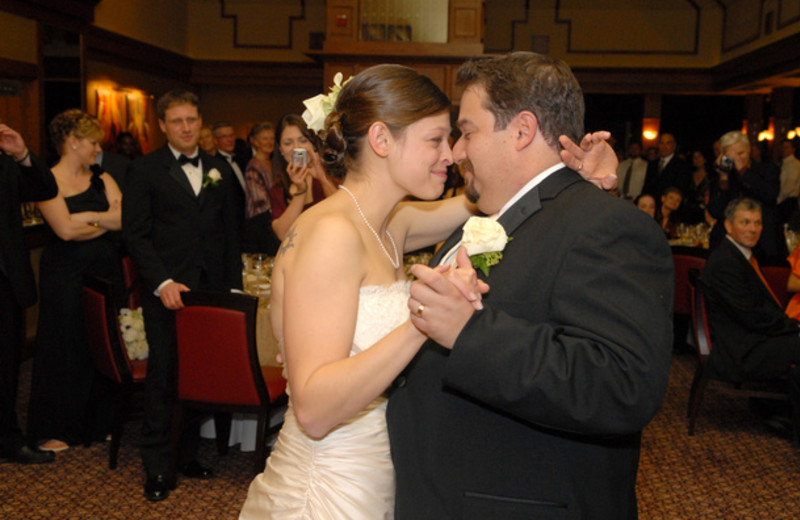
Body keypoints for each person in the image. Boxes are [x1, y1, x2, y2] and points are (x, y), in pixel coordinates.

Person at [239, 63, 618, 519]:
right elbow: (315, 410)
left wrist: (568, 173)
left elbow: (491, 198)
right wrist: (424, 319)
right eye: (435, 140)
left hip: (384, 469)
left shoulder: (389, 224)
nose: (452, 154)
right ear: (381, 140)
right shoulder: (331, 233)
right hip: (331, 483)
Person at [388, 52, 673, 520]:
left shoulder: (604, 225)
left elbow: (623, 384)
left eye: (468, 131)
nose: (457, 151)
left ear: (521, 130)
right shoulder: (484, 222)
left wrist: (469, 334)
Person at [123, 89, 242, 502]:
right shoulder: (144, 170)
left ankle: (187, 454)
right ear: (162, 125)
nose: (187, 128)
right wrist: (161, 282)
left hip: (210, 292)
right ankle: (157, 466)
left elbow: (230, 234)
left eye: (192, 119)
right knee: (164, 377)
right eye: (177, 121)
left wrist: (231, 286)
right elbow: (135, 236)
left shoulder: (219, 169)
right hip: (167, 293)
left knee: (200, 375)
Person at [26, 110, 123, 452]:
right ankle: (59, 428)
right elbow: (64, 230)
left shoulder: (103, 178)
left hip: (104, 276)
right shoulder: (47, 181)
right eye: (93, 142)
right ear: (73, 142)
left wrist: (91, 217)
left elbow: (122, 218)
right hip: (64, 277)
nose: (98, 149)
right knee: (66, 348)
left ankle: (100, 423)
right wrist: (101, 223)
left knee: (102, 346)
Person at [700, 198, 800, 430]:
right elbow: (752, 316)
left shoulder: (739, 255)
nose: (753, 229)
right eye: (745, 222)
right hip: (740, 351)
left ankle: (784, 415)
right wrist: (794, 327)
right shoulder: (726, 262)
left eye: (757, 223)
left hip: (751, 340)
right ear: (728, 226)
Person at [0, 124, 58, 465]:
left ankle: (7, 439)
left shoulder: (6, 159)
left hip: (5, 278)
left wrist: (21, 153)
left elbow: (44, 187)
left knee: (7, 364)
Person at [707, 131, 781, 258]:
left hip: (761, 246)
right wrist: (723, 178)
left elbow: (769, 195)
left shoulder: (768, 170)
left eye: (741, 153)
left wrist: (742, 171)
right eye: (731, 155)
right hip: (727, 246)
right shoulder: (721, 175)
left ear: (750, 151)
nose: (737, 159)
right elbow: (716, 211)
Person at [268, 114, 337, 240]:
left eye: (303, 140)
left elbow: (346, 212)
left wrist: (322, 177)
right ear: (281, 150)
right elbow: (283, 234)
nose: (296, 147)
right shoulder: (278, 189)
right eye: (288, 143)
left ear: (314, 144)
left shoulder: (334, 176)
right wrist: (301, 191)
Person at [242, 121, 281, 254]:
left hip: (274, 220)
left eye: (272, 138)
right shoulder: (253, 166)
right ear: (256, 142)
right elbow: (260, 200)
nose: (269, 142)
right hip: (261, 225)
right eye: (264, 138)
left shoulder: (273, 163)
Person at [644, 132, 690, 198]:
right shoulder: (652, 164)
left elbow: (680, 189)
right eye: (661, 143)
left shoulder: (681, 165)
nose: (664, 147)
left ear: (674, 146)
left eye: (668, 143)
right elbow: (647, 186)